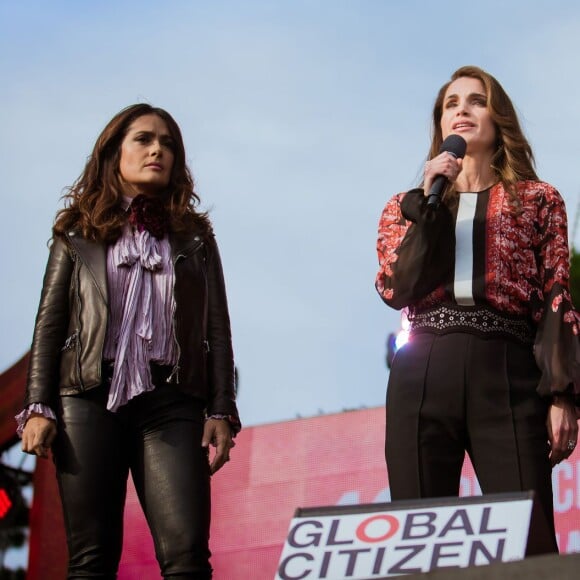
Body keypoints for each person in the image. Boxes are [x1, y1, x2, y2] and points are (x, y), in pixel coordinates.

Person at [17, 103, 241, 579]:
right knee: (91, 560)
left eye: (168, 143)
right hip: (88, 397)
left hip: (172, 401)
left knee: (187, 558)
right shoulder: (76, 229)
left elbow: (216, 326)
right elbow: (49, 323)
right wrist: (38, 406)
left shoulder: (195, 236)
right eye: (143, 139)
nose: (158, 149)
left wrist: (222, 410)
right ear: (113, 152)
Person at [375, 66, 580, 550]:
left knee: (529, 545)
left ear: (498, 117)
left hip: (506, 371)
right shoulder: (403, 206)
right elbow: (395, 287)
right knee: (420, 546)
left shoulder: (539, 200)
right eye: (451, 103)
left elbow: (557, 296)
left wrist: (562, 393)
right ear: (440, 124)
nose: (462, 110)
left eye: (476, 100)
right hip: (422, 369)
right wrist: (427, 206)